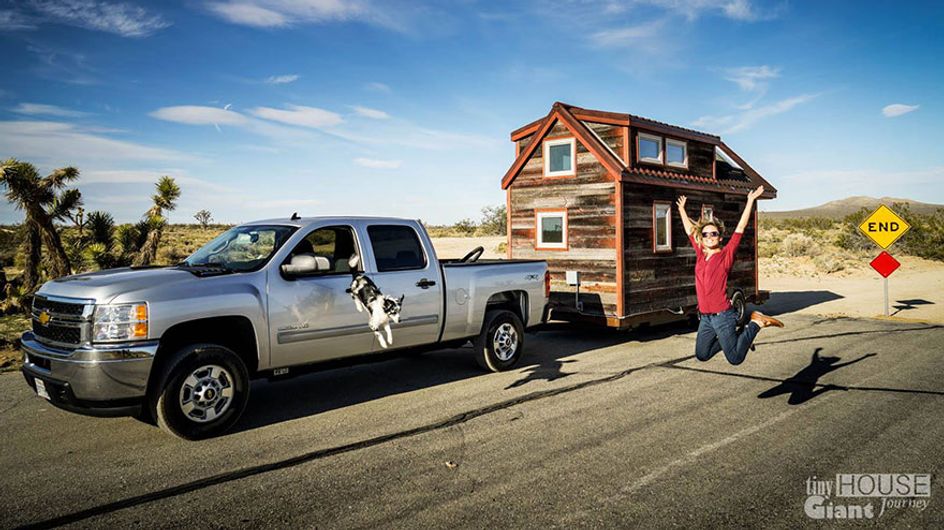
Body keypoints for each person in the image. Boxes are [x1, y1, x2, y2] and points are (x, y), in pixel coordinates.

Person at [676, 186, 783, 365]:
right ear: (702, 238)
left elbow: (740, 227)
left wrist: (750, 201)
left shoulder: (726, 254)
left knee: (735, 358)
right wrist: (681, 209)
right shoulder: (701, 253)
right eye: (705, 234)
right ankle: (740, 337)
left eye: (714, 233)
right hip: (706, 317)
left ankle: (755, 324)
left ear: (720, 237)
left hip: (723, 316)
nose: (709, 236)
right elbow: (690, 231)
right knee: (702, 354)